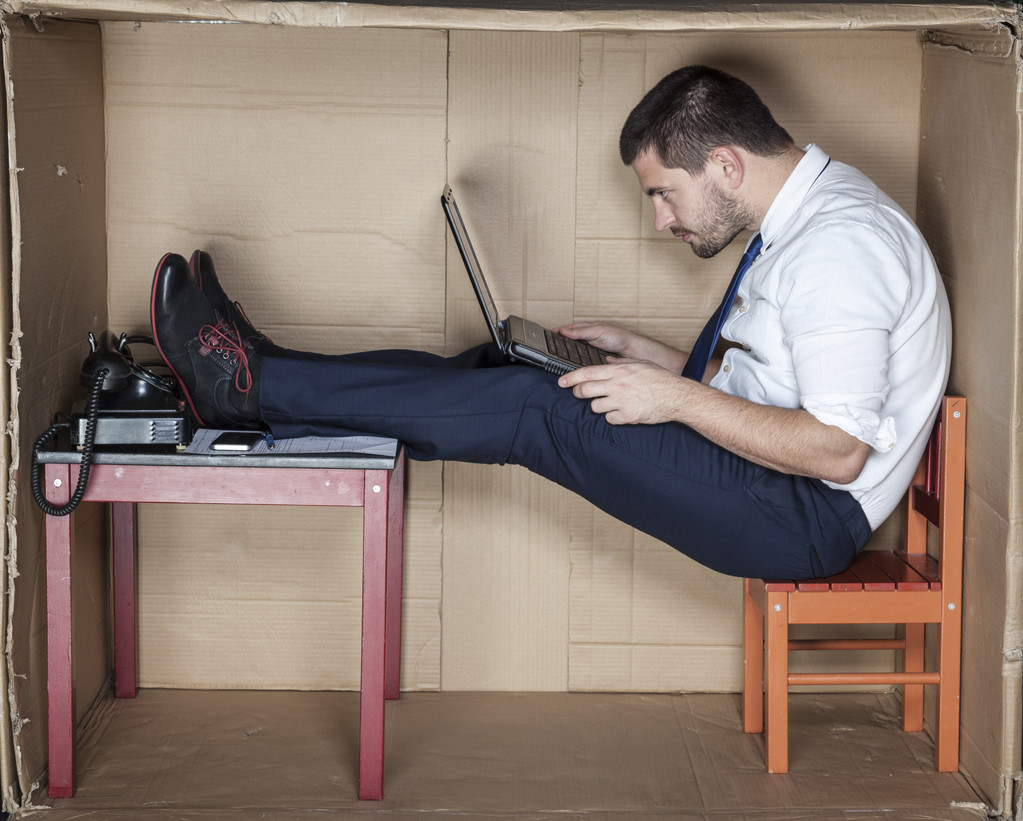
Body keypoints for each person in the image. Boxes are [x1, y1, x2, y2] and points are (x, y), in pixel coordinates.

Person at [150, 65, 950, 581]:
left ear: (726, 165)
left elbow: (837, 450)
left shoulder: (840, 247)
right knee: (506, 370)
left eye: (663, 193)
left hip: (797, 518)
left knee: (538, 412)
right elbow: (766, 386)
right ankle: (263, 372)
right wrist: (654, 361)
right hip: (763, 476)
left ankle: (248, 386)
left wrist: (669, 399)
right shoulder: (806, 222)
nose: (661, 220)